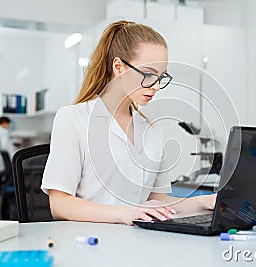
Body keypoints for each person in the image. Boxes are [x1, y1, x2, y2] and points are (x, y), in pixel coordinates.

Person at [41, 20, 216, 226]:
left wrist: (204, 202)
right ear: (119, 67)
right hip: (91, 242)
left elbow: (157, 202)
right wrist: (124, 214)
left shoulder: (152, 131)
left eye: (161, 77)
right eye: (149, 74)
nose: (156, 86)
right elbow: (60, 204)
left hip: (139, 243)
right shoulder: (74, 118)